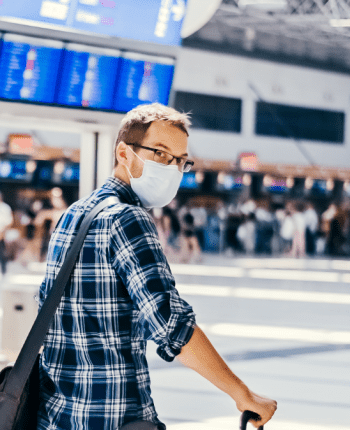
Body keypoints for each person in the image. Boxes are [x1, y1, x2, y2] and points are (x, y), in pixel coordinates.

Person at [37, 104, 276, 430]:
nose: (172, 168)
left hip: (57, 415)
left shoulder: (73, 215)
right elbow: (170, 325)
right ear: (124, 153)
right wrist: (242, 394)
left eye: (180, 160)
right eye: (161, 154)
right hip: (115, 417)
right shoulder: (128, 218)